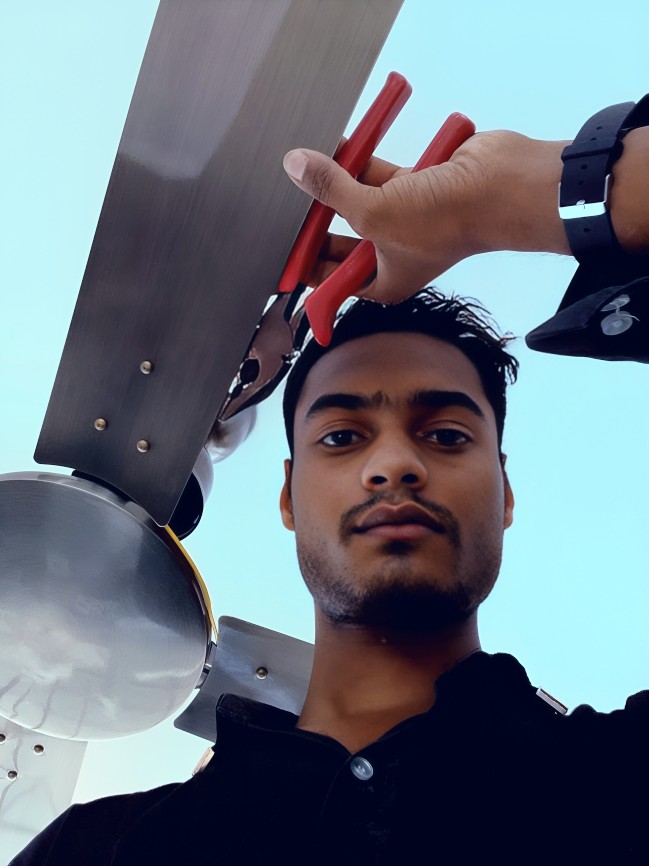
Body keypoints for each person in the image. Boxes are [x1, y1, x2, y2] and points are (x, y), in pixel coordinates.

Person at [12, 121, 649, 865]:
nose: (393, 466)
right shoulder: (98, 853)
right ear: (286, 497)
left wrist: (528, 194)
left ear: (504, 491)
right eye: (342, 437)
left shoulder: (621, 780)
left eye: (444, 435)